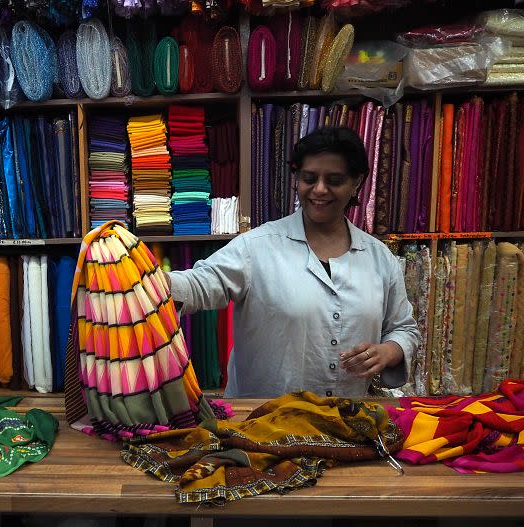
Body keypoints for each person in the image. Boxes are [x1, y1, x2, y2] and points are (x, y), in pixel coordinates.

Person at [166, 126, 421, 398]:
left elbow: (404, 328)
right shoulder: (258, 246)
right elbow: (202, 284)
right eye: (309, 178)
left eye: (334, 180)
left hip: (345, 423)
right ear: (297, 178)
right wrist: (146, 278)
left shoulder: (379, 258)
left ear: (356, 182)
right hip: (262, 423)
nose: (319, 189)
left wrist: (388, 351)